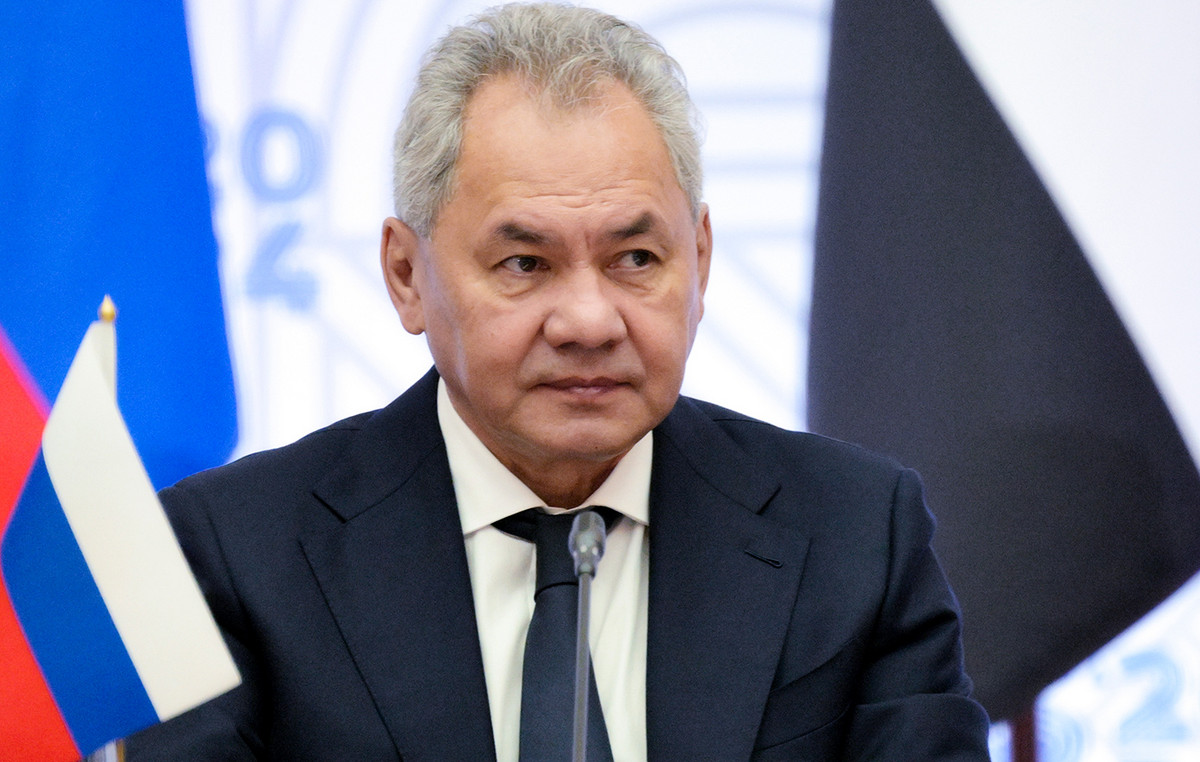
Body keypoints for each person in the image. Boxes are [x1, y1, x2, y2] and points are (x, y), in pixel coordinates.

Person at [127, 3, 990, 759]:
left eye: (636, 258)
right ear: (406, 275)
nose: (588, 321)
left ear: (700, 259)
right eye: (525, 263)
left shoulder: (854, 536)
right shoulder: (232, 557)